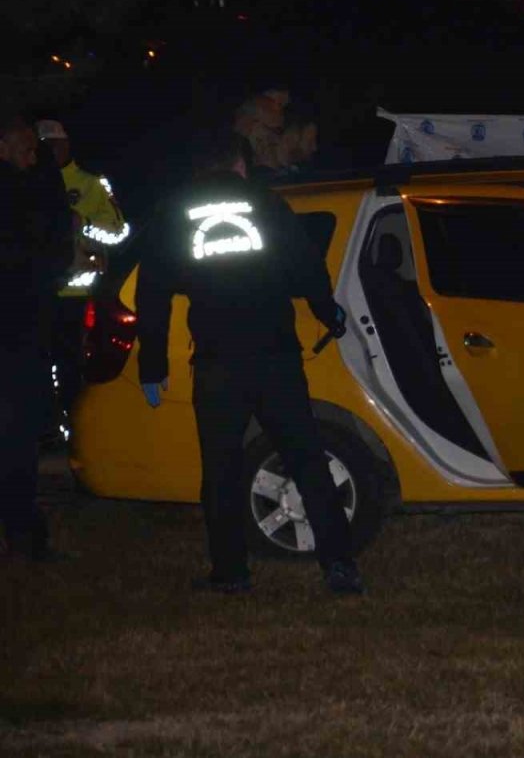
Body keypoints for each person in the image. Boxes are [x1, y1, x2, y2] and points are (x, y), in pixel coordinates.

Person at [134, 130, 363, 594]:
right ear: (240, 164)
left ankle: (231, 572)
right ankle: (339, 565)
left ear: (200, 168)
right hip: (275, 356)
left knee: (221, 469)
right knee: (306, 458)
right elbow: (306, 266)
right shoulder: (267, 204)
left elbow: (152, 294)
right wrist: (327, 312)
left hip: (218, 364)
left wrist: (152, 365)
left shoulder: (173, 214)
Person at [0, 110, 74, 561]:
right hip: (19, 331)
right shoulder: (26, 196)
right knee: (16, 435)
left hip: (23, 329)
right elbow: (46, 253)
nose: (33, 158)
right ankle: (22, 530)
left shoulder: (30, 190)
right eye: (26, 150)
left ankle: (23, 530)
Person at [37, 119, 129, 416]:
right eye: (44, 146)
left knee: (73, 366)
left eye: (55, 144)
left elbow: (118, 231)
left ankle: (74, 423)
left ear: (66, 144)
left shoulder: (92, 182)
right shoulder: (27, 182)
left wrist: (84, 223)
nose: (50, 151)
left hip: (80, 295)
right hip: (39, 292)